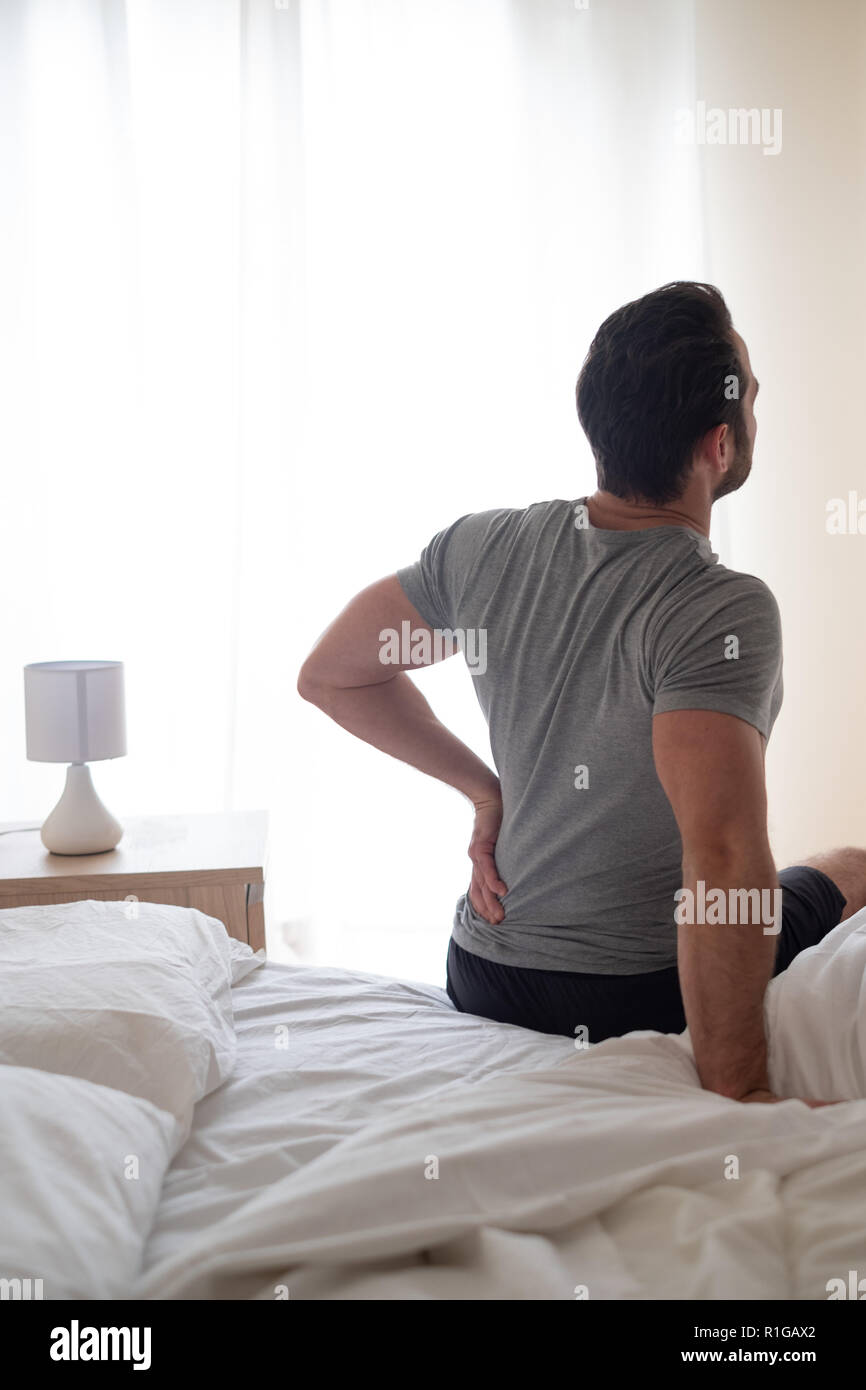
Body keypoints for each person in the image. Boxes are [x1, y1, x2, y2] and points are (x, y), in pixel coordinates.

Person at [297, 281, 866, 1105]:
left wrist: (483, 791)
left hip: (484, 970)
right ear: (719, 444)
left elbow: (335, 674)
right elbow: (722, 855)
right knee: (849, 867)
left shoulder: (484, 546)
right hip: (629, 990)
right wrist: (740, 1099)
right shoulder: (717, 606)